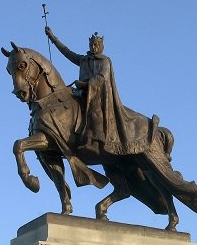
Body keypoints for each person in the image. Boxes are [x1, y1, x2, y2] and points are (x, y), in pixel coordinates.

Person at [45, 26, 153, 155]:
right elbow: (67, 52)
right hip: (82, 93)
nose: (93, 47)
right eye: (91, 44)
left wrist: (85, 84)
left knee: (95, 110)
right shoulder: (83, 59)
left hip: (97, 95)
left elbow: (101, 77)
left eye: (96, 44)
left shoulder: (105, 61)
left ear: (101, 46)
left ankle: (94, 141)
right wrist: (53, 38)